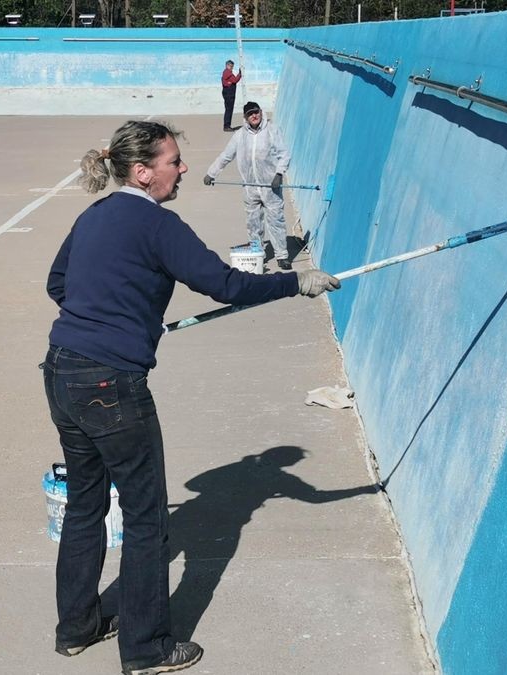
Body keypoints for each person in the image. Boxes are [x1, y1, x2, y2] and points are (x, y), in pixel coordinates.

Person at [43, 120, 339, 675]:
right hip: (111, 385)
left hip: (62, 371)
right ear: (143, 171)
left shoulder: (95, 215)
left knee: (87, 504)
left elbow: (58, 285)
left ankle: (76, 627)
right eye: (173, 161)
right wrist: (294, 281)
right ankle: (147, 648)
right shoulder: (158, 225)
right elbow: (227, 285)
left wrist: (118, 312)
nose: (181, 170)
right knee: (147, 516)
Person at [202, 101, 293, 270]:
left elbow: (284, 155)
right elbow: (226, 156)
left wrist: (279, 174)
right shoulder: (239, 135)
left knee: (276, 221)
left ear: (260, 111)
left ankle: (282, 256)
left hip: (270, 186)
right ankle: (258, 254)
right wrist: (211, 173)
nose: (254, 116)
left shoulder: (272, 130)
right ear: (245, 117)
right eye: (250, 114)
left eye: (256, 112)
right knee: (253, 223)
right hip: (250, 187)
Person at [220, 60, 242, 131]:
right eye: (231, 66)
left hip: (227, 93)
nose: (232, 68)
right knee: (229, 110)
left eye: (232, 66)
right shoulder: (227, 73)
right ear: (227, 65)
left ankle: (227, 125)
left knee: (228, 109)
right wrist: (240, 74)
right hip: (229, 94)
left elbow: (231, 81)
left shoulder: (226, 72)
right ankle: (227, 126)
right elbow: (235, 80)